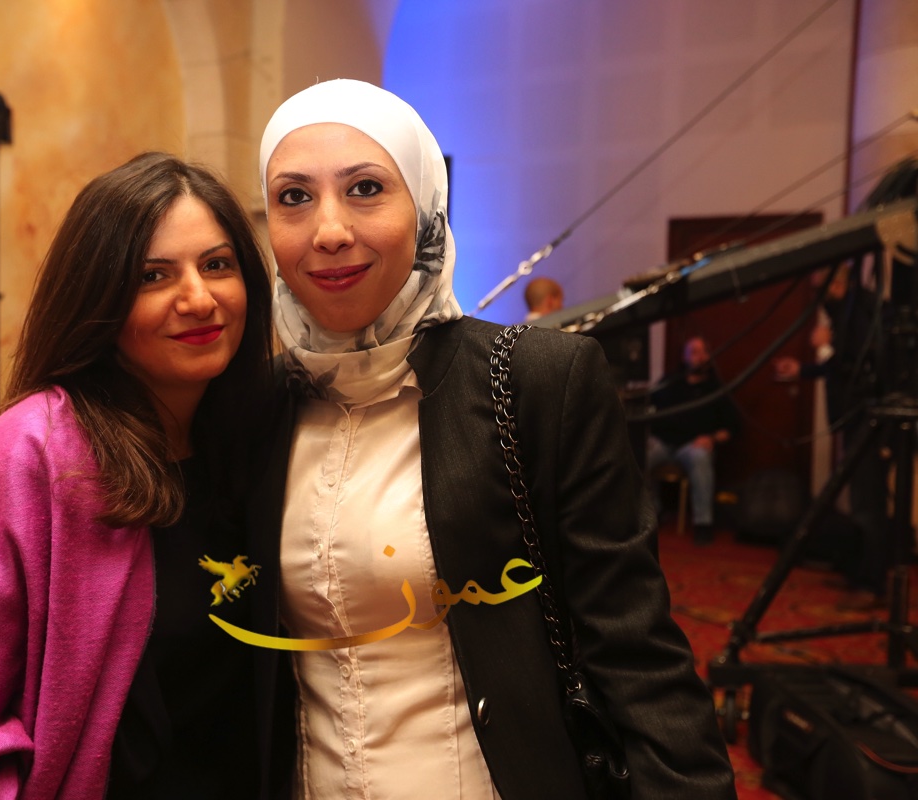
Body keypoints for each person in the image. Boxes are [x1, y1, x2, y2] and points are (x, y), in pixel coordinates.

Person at [248, 79, 735, 799]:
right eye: (294, 197)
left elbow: (635, 652)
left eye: (365, 188)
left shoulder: (537, 381)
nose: (329, 230)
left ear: (426, 208)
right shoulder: (256, 408)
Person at [0, 152, 274, 798]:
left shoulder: (262, 435)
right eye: (153, 276)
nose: (199, 299)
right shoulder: (27, 459)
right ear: (98, 299)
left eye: (217, 265)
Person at [774, 264, 890, 608]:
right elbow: (844, 363)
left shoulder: (861, 312)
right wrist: (804, 369)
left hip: (868, 423)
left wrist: (826, 348)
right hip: (855, 422)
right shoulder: (849, 311)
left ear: (836, 284)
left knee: (868, 506)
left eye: (818, 288)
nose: (817, 296)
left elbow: (860, 368)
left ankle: (871, 586)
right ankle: (856, 573)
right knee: (858, 503)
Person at [645, 335, 741, 545]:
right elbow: (648, 407)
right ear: (684, 357)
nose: (700, 357)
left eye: (703, 352)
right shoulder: (670, 382)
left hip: (693, 445)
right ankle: (653, 511)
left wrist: (712, 438)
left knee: (700, 457)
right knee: (638, 455)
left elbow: (732, 427)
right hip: (663, 442)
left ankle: (703, 523)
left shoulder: (716, 388)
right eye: (694, 352)